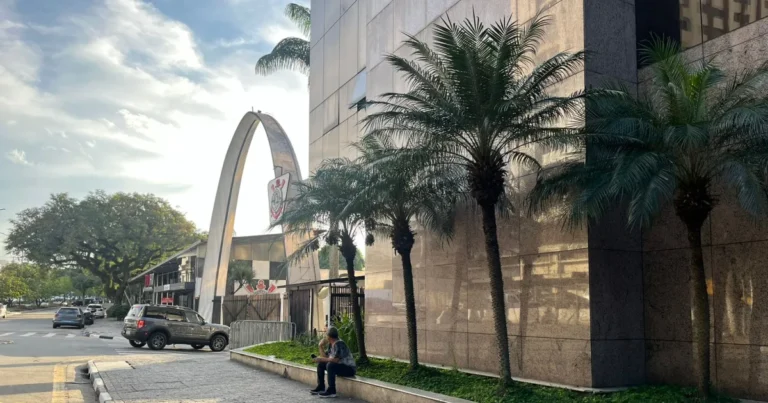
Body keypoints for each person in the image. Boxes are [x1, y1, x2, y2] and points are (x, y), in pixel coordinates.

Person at [310, 326, 356, 398]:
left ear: (329, 337)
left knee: (330, 365)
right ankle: (321, 386)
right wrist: (320, 346)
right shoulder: (331, 344)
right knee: (321, 364)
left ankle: (332, 391)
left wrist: (321, 359)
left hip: (349, 369)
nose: (325, 337)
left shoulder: (339, 344)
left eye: (326, 335)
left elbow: (335, 360)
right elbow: (326, 357)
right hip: (339, 366)